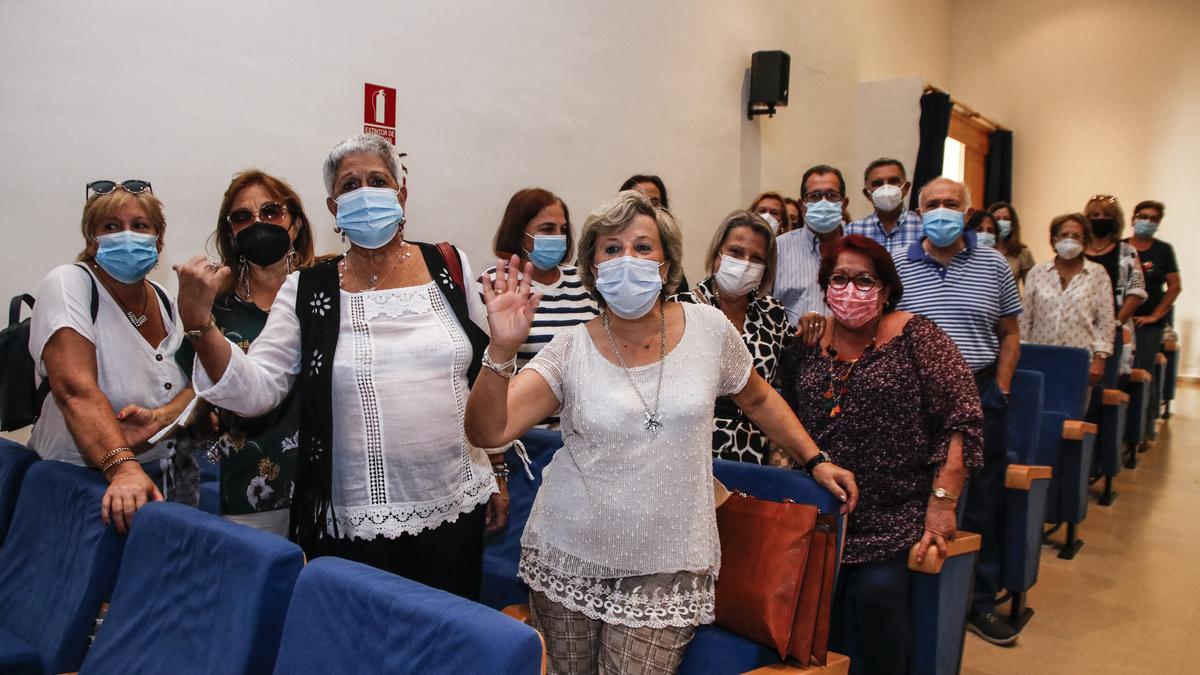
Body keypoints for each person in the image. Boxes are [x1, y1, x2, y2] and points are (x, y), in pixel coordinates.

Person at [464, 191, 858, 674]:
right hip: (569, 550)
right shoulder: (571, 348)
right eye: (611, 248)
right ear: (591, 265)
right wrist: (502, 349)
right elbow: (489, 428)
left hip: (667, 559)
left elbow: (757, 397)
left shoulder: (709, 329)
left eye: (642, 247)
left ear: (667, 262)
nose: (626, 259)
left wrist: (814, 459)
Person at [176, 133, 502, 600]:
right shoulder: (307, 289)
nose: (365, 193)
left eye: (378, 180)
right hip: (351, 517)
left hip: (454, 502)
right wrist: (199, 325)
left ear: (401, 194)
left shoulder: (448, 265)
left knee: (444, 646)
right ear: (333, 208)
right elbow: (255, 392)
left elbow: (484, 374)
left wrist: (499, 468)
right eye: (350, 186)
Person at [776, 234, 983, 674]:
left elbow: (961, 420)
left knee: (877, 597)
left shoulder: (918, 337)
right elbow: (783, 417)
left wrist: (942, 505)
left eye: (864, 280)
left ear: (887, 289)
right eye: (840, 279)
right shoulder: (806, 343)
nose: (850, 290)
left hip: (894, 515)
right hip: (820, 515)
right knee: (806, 607)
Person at [893, 177, 1022, 645]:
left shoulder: (994, 264)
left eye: (952, 204)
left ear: (968, 214)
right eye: (933, 204)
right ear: (918, 212)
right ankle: (920, 594)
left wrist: (1001, 389)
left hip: (982, 391)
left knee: (983, 503)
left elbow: (1009, 332)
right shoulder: (897, 264)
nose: (942, 211)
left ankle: (979, 603)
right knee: (919, 499)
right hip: (918, 400)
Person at [29, 180, 195, 534]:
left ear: (158, 240)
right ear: (92, 239)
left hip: (157, 483)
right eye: (111, 226)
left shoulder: (164, 298)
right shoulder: (69, 283)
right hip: (77, 484)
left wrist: (161, 415)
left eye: (139, 226)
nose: (127, 235)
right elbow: (74, 389)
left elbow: (194, 384)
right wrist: (123, 467)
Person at [174, 169, 317, 535]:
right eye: (242, 217)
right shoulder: (215, 306)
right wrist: (160, 418)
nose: (258, 223)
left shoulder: (326, 289)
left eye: (271, 212)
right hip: (249, 484)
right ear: (231, 232)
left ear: (296, 223)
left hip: (326, 482)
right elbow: (194, 392)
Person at [670, 210, 792, 464]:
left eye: (756, 258)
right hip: (686, 452)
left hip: (751, 456)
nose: (745, 263)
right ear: (717, 254)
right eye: (736, 252)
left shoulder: (774, 315)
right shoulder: (680, 308)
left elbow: (784, 382)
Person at [481, 187, 599, 426]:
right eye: (547, 229)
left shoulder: (585, 282)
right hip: (524, 431)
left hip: (587, 427)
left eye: (563, 230)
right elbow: (483, 366)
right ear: (520, 233)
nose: (558, 237)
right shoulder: (496, 285)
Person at [1019, 214, 1115, 386]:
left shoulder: (1097, 274)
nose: (1070, 240)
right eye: (1064, 235)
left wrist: (1100, 359)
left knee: (1073, 411)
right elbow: (1025, 319)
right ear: (1054, 239)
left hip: (1079, 360)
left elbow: (1105, 322)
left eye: (1076, 236)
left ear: (1085, 241)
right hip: (1039, 357)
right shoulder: (1037, 272)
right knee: (1039, 408)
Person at [775, 165, 847, 331]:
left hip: (849, 353)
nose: (823, 202)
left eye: (831, 195)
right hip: (791, 351)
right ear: (802, 205)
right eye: (814, 196)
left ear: (844, 204)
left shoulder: (860, 251)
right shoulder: (778, 249)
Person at [1083, 195, 1146, 383]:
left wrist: (1115, 324)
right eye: (1094, 215)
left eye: (1105, 215)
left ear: (1115, 220)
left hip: (1115, 325)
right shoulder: (1077, 249)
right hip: (1081, 324)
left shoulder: (1127, 251)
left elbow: (1136, 291)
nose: (1099, 219)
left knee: (1108, 382)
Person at [1125, 200, 1181, 371]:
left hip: (1148, 325)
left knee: (1143, 371)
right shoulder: (1121, 247)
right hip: (1123, 319)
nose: (1148, 221)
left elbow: (1175, 286)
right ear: (1133, 219)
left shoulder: (1163, 250)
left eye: (1153, 219)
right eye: (1143, 217)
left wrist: (1155, 316)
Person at [845, 158, 923, 257]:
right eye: (877, 184)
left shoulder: (924, 227)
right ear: (867, 194)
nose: (886, 188)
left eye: (893, 182)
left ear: (906, 188)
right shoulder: (853, 231)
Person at [987, 202, 1036, 284]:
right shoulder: (981, 250)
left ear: (1013, 223)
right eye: (997, 219)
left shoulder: (1022, 252)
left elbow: (1031, 287)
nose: (1001, 222)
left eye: (1006, 219)